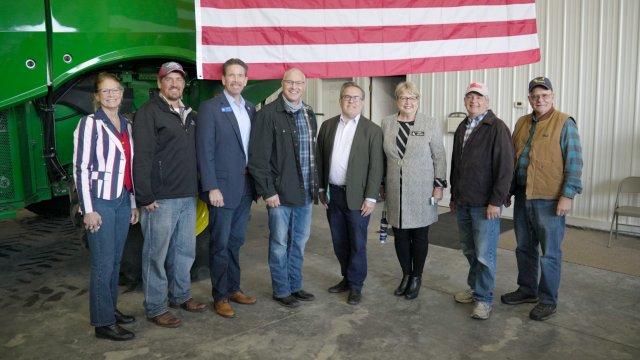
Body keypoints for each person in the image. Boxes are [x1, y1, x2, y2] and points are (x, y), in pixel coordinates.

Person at [501, 77, 583, 321]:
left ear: (553, 96)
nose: (540, 99)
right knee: (524, 248)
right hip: (524, 195)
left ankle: (548, 300)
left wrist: (567, 195)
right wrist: (508, 190)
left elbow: (574, 162)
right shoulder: (522, 122)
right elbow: (513, 160)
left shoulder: (564, 123)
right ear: (529, 99)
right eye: (535, 96)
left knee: (550, 253)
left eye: (545, 95)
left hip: (549, 199)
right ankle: (527, 290)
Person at [133, 62, 206, 328]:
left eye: (179, 80)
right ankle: (155, 307)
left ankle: (180, 296)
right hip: (160, 200)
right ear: (160, 83)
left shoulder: (189, 113)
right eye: (169, 80)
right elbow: (141, 157)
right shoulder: (149, 113)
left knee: (184, 252)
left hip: (187, 196)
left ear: (184, 84)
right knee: (155, 255)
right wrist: (145, 196)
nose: (175, 84)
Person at [73, 72, 139, 341]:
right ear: (97, 96)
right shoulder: (89, 124)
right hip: (99, 201)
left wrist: (133, 202)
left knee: (114, 260)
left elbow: (129, 167)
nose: (112, 95)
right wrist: (87, 209)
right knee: (102, 263)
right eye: (106, 91)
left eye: (116, 90)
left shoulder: (126, 124)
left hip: (122, 199)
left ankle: (109, 308)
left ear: (122, 93)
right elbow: (81, 168)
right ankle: (103, 323)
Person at [248, 68, 318, 308]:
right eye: (290, 82)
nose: (294, 87)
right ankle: (281, 289)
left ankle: (295, 285)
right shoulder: (267, 115)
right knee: (279, 243)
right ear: (282, 83)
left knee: (299, 242)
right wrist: (268, 191)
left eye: (299, 83)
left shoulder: (309, 113)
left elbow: (311, 156)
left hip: (305, 193)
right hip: (279, 194)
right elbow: (257, 159)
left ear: (305, 84)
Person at [196, 58, 257, 318]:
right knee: (219, 244)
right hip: (221, 187)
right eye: (231, 75)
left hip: (246, 185)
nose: (235, 80)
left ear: (246, 80)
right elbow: (204, 150)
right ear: (223, 79)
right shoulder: (210, 108)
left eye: (240, 75)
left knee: (236, 241)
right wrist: (211, 186)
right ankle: (220, 296)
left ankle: (233, 288)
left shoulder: (251, 109)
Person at [449, 82, 514, 320]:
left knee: (485, 254)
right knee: (469, 249)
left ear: (487, 102)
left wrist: (496, 201)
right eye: (469, 97)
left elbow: (506, 168)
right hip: (464, 202)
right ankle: (476, 287)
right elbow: (457, 165)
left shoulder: (496, 127)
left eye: (479, 97)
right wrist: (454, 197)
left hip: (485, 205)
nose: (474, 101)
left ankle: (484, 299)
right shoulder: (462, 126)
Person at [317, 81, 384, 305]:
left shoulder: (372, 130)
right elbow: (320, 159)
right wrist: (320, 187)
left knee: (357, 242)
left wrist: (371, 197)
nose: (351, 101)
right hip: (333, 195)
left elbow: (376, 166)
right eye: (347, 97)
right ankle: (346, 278)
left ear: (363, 102)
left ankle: (356, 285)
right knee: (339, 241)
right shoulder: (327, 126)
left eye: (356, 98)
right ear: (340, 100)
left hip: (358, 198)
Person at [379, 81, 447, 300]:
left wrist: (439, 186)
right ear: (397, 100)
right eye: (403, 98)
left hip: (421, 190)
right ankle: (405, 275)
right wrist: (381, 184)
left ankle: (416, 277)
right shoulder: (387, 123)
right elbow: (382, 157)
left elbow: (439, 155)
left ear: (418, 100)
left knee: (419, 235)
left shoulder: (429, 123)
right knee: (399, 235)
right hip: (395, 189)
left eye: (412, 98)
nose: (408, 102)